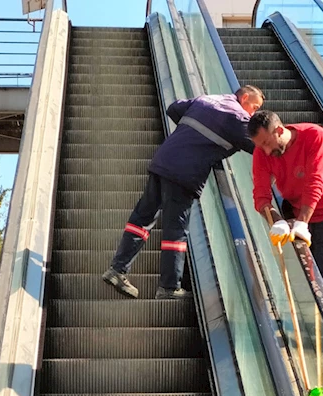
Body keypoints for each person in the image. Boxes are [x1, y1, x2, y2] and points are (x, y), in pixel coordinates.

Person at [103, 85, 265, 300]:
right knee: (176, 230)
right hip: (185, 172)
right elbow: (262, 145)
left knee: (142, 218)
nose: (252, 114)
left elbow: (173, 108)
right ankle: (169, 288)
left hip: (164, 160)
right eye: (254, 107)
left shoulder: (207, 99)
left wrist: (193, 135)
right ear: (244, 97)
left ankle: (117, 269)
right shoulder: (237, 117)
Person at [248, 110, 323, 328]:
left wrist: (303, 222)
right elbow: (261, 195)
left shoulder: (314, 135)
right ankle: (306, 329)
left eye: (266, 142)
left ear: (280, 130)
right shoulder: (261, 153)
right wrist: (277, 221)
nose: (265, 150)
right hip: (293, 211)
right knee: (301, 279)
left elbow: (315, 182)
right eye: (259, 145)